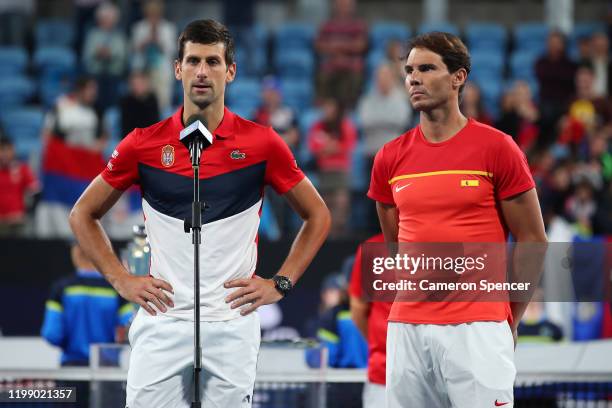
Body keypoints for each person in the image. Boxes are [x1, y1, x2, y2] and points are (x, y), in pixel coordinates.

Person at [69, 19, 331, 408]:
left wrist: (281, 284)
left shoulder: (262, 144)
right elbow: (82, 214)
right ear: (177, 69)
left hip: (232, 325)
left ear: (231, 71)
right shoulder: (142, 144)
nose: (202, 71)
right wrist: (122, 280)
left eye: (212, 61)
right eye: (193, 61)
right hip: (162, 323)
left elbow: (318, 216)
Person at [368, 32, 547, 407]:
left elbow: (533, 240)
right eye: (409, 71)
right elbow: (396, 244)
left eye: (427, 68)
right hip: (407, 328)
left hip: (479, 328)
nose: (414, 78)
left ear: (458, 78)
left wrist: (507, 319)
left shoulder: (498, 148)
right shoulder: (388, 158)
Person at [41, 242, 134, 408]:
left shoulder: (62, 288)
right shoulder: (116, 290)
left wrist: (74, 342)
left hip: (71, 370)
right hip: (107, 371)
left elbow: (51, 334)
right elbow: (131, 328)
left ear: (76, 253)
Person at [349, 233, 392, 408]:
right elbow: (358, 309)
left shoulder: (443, 247)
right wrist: (381, 343)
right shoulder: (373, 248)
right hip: (383, 374)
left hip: (434, 376)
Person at [82, 1, 127, 112]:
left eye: (110, 18)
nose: (107, 21)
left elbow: (122, 55)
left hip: (114, 75)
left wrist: (110, 54)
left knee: (113, 91)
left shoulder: (119, 36)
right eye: (104, 18)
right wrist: (98, 54)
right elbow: (86, 56)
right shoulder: (93, 34)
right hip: (95, 74)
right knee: (93, 88)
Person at [0, 135, 39, 236]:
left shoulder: (22, 169)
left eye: (7, 150)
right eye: (2, 150)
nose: (4, 154)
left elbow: (36, 191)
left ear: (13, 150)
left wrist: (27, 212)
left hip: (17, 222)